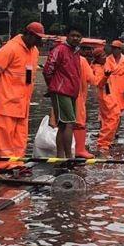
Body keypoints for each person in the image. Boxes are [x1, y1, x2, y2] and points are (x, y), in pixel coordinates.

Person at [0, 22, 44, 169]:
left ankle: (17, 163)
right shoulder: (10, 48)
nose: (39, 42)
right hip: (6, 102)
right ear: (28, 35)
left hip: (22, 104)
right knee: (4, 137)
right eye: (37, 38)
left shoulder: (34, 51)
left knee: (20, 137)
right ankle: (4, 165)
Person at [42, 27, 82, 158]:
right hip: (61, 90)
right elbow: (47, 70)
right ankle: (69, 157)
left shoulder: (75, 52)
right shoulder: (60, 49)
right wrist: (53, 86)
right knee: (69, 123)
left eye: (78, 36)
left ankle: (60, 157)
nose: (75, 38)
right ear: (67, 36)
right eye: (73, 35)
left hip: (70, 92)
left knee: (63, 125)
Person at [74, 46, 105, 159]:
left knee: (66, 124)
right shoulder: (82, 61)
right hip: (78, 97)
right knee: (80, 122)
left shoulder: (65, 57)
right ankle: (79, 150)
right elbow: (93, 80)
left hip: (64, 95)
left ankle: (66, 150)